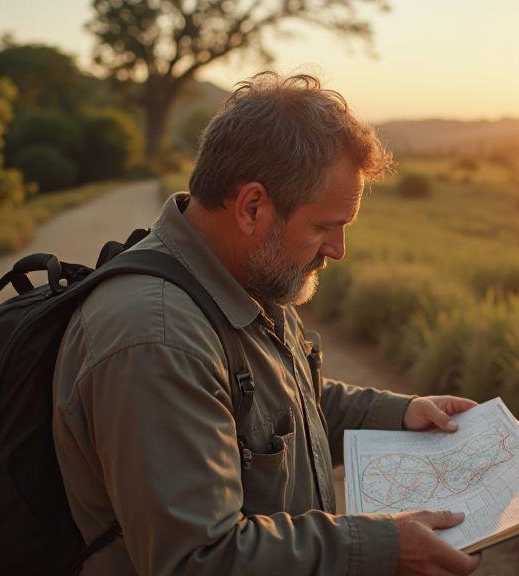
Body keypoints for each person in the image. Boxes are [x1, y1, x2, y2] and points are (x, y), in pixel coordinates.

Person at [52, 71, 482, 575]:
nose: (338, 250)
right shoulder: (158, 341)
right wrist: (383, 547)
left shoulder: (245, 275)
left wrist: (402, 413)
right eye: (324, 227)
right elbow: (199, 560)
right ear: (252, 207)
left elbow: (281, 404)